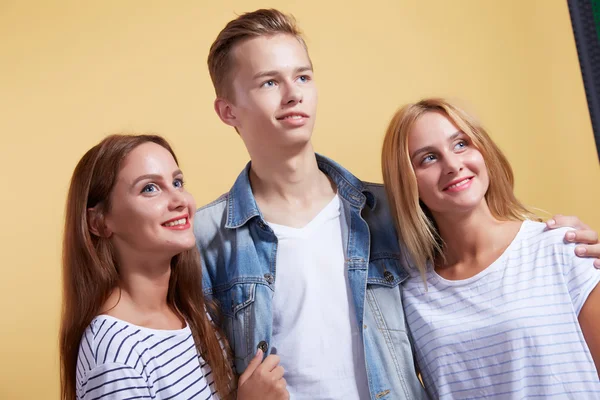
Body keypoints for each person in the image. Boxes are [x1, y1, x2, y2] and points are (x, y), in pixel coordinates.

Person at [196, 8, 600, 399]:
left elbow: (485, 251)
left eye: (302, 76)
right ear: (227, 111)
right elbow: (194, 375)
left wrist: (563, 246)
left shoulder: (392, 210)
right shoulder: (205, 239)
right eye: (269, 82)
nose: (292, 94)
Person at [381, 98, 600, 399]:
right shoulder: (411, 294)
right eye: (428, 158)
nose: (453, 165)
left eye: (461, 144)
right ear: (408, 182)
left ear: (482, 151)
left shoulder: (561, 249)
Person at [59, 134, 286, 400]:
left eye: (177, 183)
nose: (180, 201)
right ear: (99, 222)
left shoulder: (192, 312)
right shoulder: (115, 353)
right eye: (149, 188)